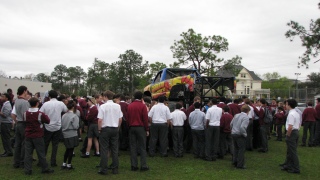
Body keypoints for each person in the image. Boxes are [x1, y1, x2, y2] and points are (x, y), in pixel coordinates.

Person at [24, 97, 54, 175]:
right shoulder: (40, 114)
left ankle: (28, 170)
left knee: (28, 153)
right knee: (41, 153)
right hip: (38, 135)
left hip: (28, 135)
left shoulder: (25, 113)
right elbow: (47, 121)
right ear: (37, 103)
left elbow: (25, 122)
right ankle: (44, 168)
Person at [97, 90, 123, 175]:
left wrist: (99, 129)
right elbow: (120, 119)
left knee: (104, 149)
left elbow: (100, 120)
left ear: (105, 97)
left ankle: (104, 169)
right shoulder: (117, 106)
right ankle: (115, 168)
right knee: (114, 149)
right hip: (115, 128)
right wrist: (118, 127)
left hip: (105, 129)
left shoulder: (103, 106)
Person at [40, 90, 68, 167]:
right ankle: (53, 161)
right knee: (55, 145)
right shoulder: (60, 103)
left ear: (49, 96)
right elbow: (66, 110)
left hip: (48, 126)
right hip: (57, 126)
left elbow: (40, 113)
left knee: (45, 144)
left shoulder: (46, 104)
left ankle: (42, 160)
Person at [127, 91, 149, 171]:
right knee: (142, 147)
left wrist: (129, 126)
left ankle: (134, 165)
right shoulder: (143, 106)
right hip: (140, 127)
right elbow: (145, 119)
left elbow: (128, 117)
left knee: (133, 147)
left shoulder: (130, 106)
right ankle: (143, 165)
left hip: (132, 127)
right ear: (141, 97)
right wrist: (147, 129)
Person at [12, 85, 30, 168]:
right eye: (26, 91)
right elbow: (26, 115)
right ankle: (23, 161)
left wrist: (16, 122)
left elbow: (14, 114)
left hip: (18, 123)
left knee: (17, 144)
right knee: (24, 143)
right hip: (23, 123)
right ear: (24, 91)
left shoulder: (17, 100)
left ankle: (16, 162)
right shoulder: (25, 102)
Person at [280, 99, 300, 174]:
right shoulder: (296, 113)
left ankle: (296, 168)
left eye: (286, 104)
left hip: (292, 133)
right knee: (289, 151)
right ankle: (288, 165)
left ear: (289, 105)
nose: (285, 106)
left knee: (292, 151)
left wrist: (288, 135)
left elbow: (290, 127)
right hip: (296, 132)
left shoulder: (291, 114)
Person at [61, 100, 80, 170]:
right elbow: (76, 126)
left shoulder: (64, 115)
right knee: (71, 150)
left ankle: (64, 163)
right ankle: (69, 164)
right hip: (72, 134)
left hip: (65, 134)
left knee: (67, 149)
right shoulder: (74, 116)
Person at [230, 104, 250, 169]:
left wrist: (232, 130)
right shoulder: (246, 117)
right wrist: (244, 134)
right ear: (247, 111)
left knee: (235, 149)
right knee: (241, 150)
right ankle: (240, 164)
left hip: (234, 133)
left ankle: (235, 161)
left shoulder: (236, 115)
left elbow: (231, 124)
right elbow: (242, 127)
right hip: (240, 134)